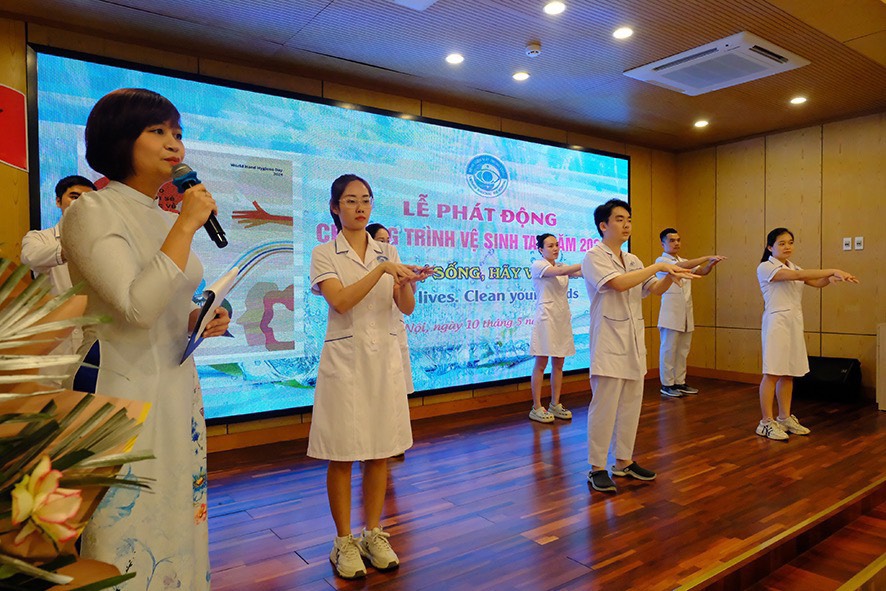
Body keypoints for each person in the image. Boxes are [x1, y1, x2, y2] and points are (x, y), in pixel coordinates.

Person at [62, 88, 230, 590]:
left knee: (180, 512)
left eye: (177, 132)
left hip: (177, 385)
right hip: (123, 390)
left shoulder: (164, 217)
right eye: (157, 131)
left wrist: (200, 317)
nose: (174, 143)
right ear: (119, 139)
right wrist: (186, 224)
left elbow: (165, 306)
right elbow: (134, 308)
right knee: (127, 525)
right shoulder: (93, 210)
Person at [310, 175, 429, 580]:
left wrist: (405, 282)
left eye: (366, 200)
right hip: (345, 364)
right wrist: (382, 271)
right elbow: (341, 301)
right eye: (350, 200)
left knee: (380, 451)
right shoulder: (324, 253)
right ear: (335, 207)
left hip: (383, 362)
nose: (360, 207)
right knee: (342, 453)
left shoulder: (387, 251)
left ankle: (373, 533)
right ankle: (343, 540)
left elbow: (406, 308)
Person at [581, 199, 697, 493]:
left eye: (629, 219)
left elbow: (653, 288)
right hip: (608, 342)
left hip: (633, 342)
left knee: (631, 405)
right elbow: (618, 284)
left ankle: (623, 461)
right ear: (603, 225)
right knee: (604, 406)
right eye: (619, 219)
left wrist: (670, 277)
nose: (626, 224)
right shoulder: (593, 257)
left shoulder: (633, 260)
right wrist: (658, 266)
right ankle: (596, 467)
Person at [755, 227, 858, 441]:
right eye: (782, 243)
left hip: (793, 323)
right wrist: (833, 269)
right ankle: (765, 422)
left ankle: (784, 417)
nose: (787, 246)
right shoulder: (765, 267)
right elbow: (799, 276)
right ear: (770, 247)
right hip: (776, 324)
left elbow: (815, 282)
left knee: (788, 373)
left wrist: (831, 278)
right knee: (772, 372)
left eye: (790, 242)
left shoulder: (794, 266)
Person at [21, 175, 97, 357]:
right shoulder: (39, 238)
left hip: (95, 335)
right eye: (74, 197)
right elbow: (30, 257)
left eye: (88, 199)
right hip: (55, 338)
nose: (80, 204)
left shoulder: (102, 242)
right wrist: (71, 250)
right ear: (58, 201)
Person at [655, 228, 725, 398]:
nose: (676, 243)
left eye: (678, 240)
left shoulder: (685, 260)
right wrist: (705, 257)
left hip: (686, 313)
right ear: (663, 243)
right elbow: (680, 267)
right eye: (672, 240)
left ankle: (679, 381)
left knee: (682, 350)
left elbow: (702, 272)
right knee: (669, 349)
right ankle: (667, 384)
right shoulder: (662, 261)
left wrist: (710, 264)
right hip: (671, 314)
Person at [528, 233, 582, 423]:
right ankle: (536, 407)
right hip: (546, 320)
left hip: (561, 319)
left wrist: (596, 268)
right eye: (550, 246)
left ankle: (555, 404)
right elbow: (560, 272)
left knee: (559, 364)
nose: (555, 248)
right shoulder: (538, 265)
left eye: (557, 245)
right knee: (541, 363)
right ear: (541, 250)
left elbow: (580, 273)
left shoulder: (561, 266)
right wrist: (585, 263)